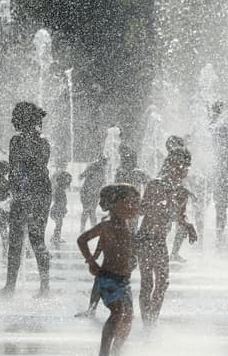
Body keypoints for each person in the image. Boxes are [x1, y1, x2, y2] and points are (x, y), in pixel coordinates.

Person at [136, 148, 197, 326]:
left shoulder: (182, 191)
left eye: (186, 167)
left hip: (160, 241)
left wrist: (188, 226)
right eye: (179, 166)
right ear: (169, 165)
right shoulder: (155, 184)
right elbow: (141, 209)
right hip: (146, 238)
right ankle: (147, 322)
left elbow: (180, 214)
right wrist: (157, 205)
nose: (183, 171)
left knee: (163, 283)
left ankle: (152, 319)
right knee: (147, 283)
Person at [77, 184, 139, 356]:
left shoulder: (128, 225)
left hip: (124, 281)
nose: (133, 207)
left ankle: (116, 352)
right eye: (129, 203)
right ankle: (104, 353)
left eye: (135, 203)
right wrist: (91, 261)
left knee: (127, 318)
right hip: (108, 278)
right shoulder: (106, 226)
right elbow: (82, 239)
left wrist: (133, 258)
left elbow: (127, 247)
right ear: (114, 204)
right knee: (118, 313)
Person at [0, 102, 52, 298]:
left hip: (39, 193)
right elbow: (13, 169)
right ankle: (10, 286)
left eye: (17, 118)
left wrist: (23, 185)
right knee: (14, 239)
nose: (15, 122)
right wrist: (11, 189)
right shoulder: (15, 141)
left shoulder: (42, 142)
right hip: (21, 193)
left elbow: (39, 169)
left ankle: (45, 287)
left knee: (36, 238)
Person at [209, 102, 228, 246]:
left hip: (222, 173)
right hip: (221, 173)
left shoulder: (215, 128)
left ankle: (219, 232)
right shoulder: (219, 128)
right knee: (221, 205)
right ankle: (219, 232)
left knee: (220, 205)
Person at [80, 155, 106, 232]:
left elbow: (102, 182)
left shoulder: (100, 169)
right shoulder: (93, 167)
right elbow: (82, 176)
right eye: (103, 162)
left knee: (90, 210)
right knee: (87, 210)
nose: (103, 165)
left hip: (93, 192)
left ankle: (91, 228)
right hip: (87, 192)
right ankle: (86, 228)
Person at [50, 166, 72, 245]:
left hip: (57, 209)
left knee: (59, 224)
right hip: (57, 209)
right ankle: (56, 237)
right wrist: (62, 207)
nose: (68, 185)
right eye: (67, 182)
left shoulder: (59, 189)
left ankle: (55, 236)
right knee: (59, 224)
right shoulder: (59, 190)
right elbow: (59, 201)